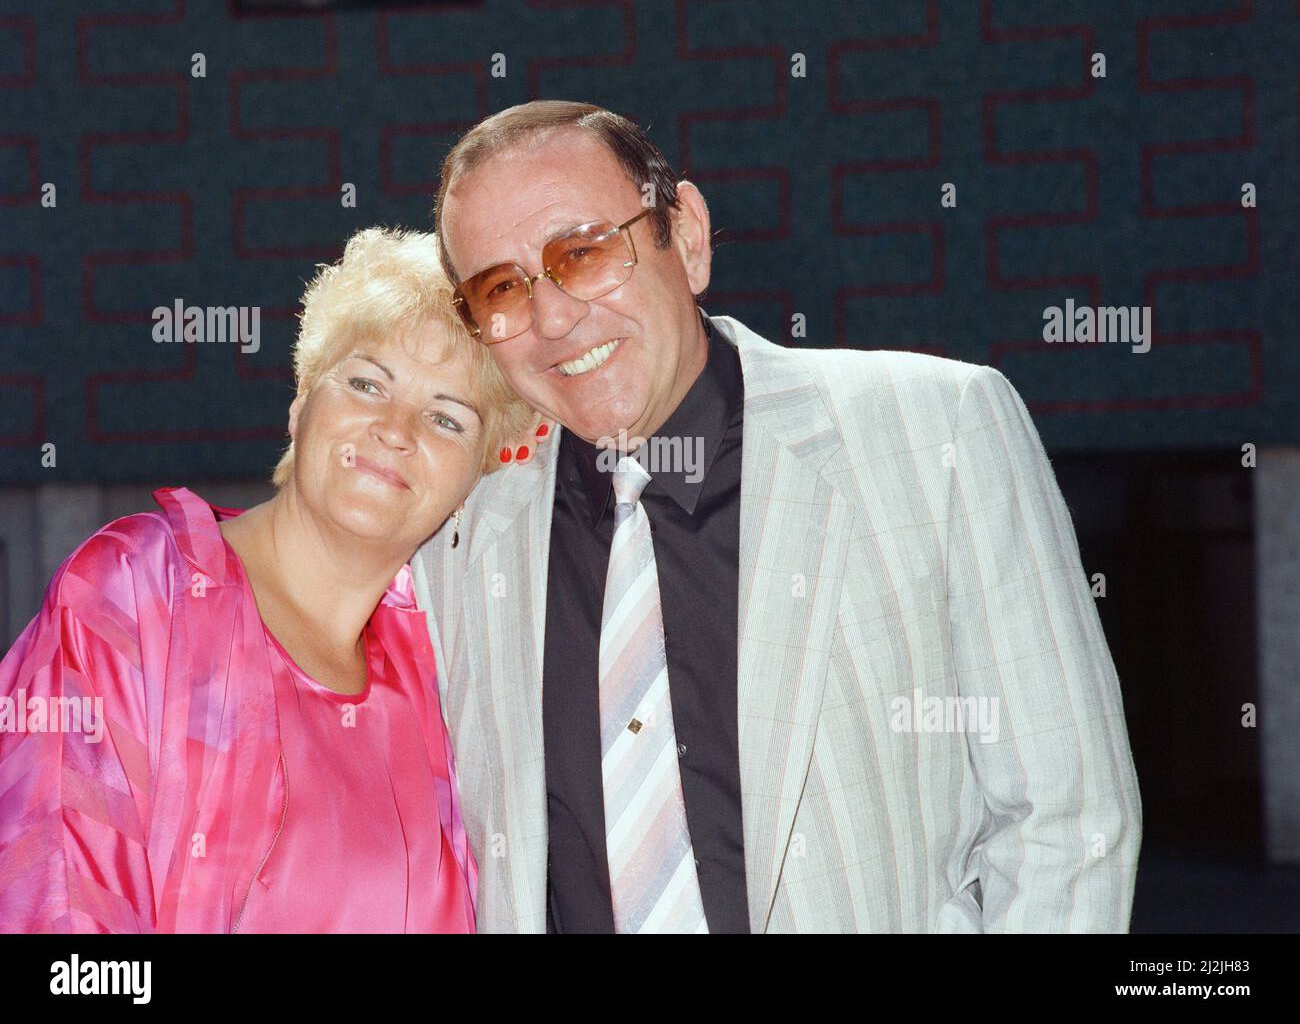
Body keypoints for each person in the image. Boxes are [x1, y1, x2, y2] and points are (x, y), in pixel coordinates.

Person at [411, 100, 1144, 933]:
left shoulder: (934, 435)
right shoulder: (458, 537)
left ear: (685, 235)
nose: (552, 318)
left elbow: (1068, 823)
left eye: (582, 253)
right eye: (501, 288)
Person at [0, 226, 536, 933]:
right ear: (301, 402)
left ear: (477, 479)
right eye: (367, 382)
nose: (395, 429)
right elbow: (57, 926)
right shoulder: (136, 591)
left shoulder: (445, 670)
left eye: (446, 417)